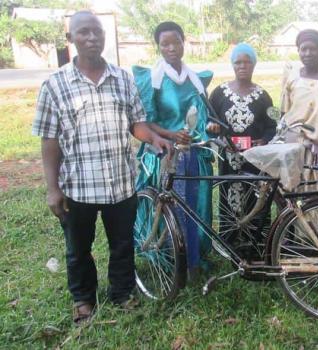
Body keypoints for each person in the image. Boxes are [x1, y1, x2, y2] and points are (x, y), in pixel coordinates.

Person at [31, 11, 171, 325]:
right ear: (71, 38)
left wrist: (154, 139)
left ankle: (122, 293)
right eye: (83, 32)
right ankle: (83, 300)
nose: (92, 38)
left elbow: (137, 125)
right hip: (77, 186)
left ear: (104, 36)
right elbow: (49, 140)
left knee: (122, 245)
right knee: (78, 249)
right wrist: (53, 189)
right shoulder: (55, 85)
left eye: (97, 32)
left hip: (121, 184)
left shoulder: (123, 79)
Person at [132, 21, 214, 273]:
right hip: (165, 152)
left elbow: (202, 114)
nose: (171, 48)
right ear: (158, 47)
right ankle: (167, 257)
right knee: (168, 204)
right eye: (164, 44)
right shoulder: (152, 80)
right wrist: (171, 134)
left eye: (175, 42)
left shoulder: (195, 80)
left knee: (195, 204)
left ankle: (193, 255)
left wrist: (207, 129)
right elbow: (144, 120)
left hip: (193, 152)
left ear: (183, 42)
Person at [208, 43, 276, 257]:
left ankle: (257, 243)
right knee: (229, 194)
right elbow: (208, 122)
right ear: (232, 64)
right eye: (238, 62)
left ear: (254, 64)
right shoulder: (219, 93)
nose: (243, 66)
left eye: (247, 62)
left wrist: (264, 141)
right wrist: (213, 129)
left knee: (257, 196)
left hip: (254, 159)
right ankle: (229, 241)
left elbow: (272, 125)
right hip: (229, 156)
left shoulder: (263, 96)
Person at [280, 29, 318, 169]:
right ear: (298, 51)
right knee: (292, 184)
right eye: (303, 49)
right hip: (293, 141)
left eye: (313, 49)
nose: (308, 54)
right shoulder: (292, 77)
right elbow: (284, 111)